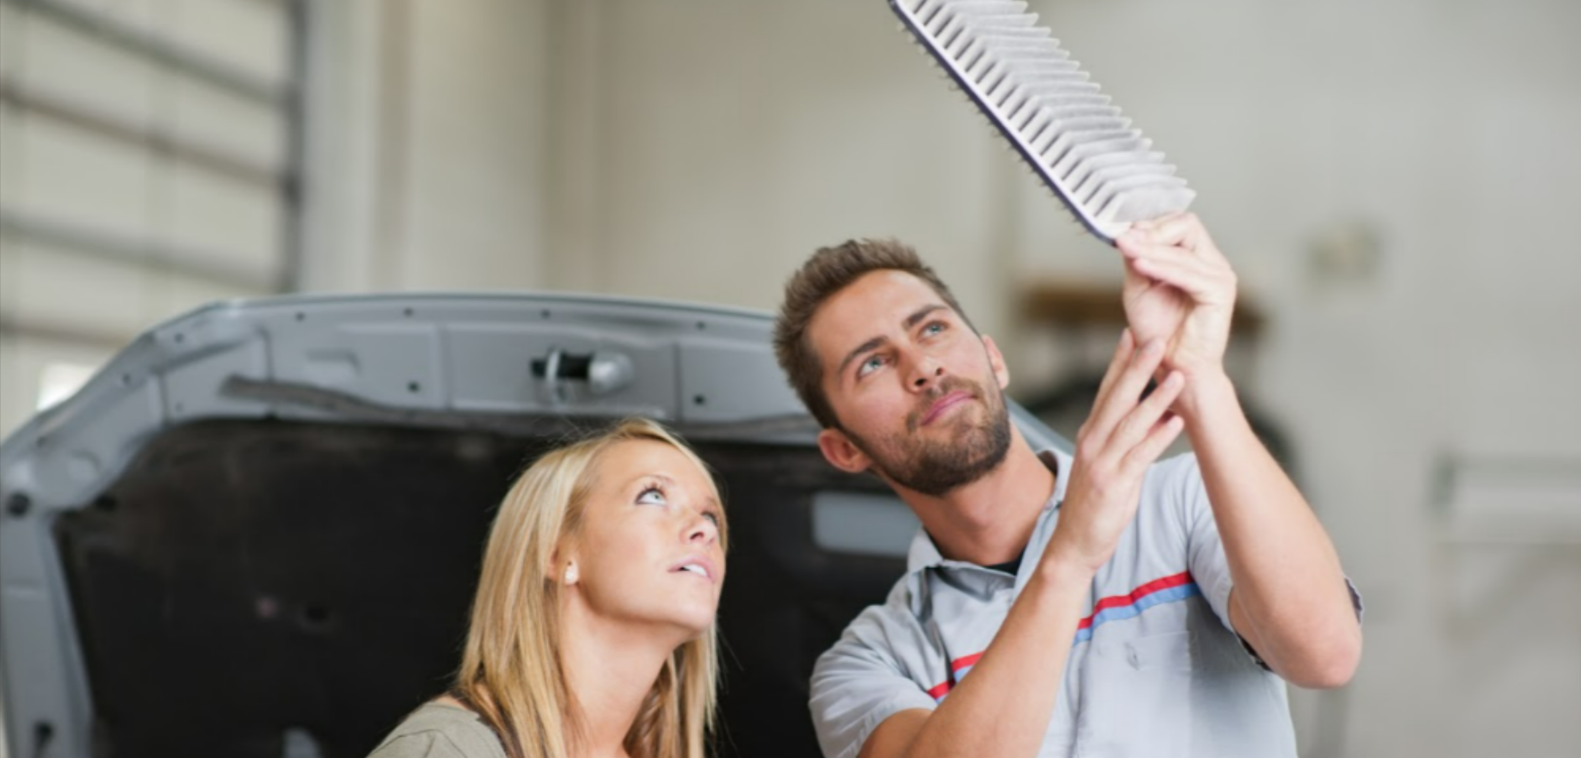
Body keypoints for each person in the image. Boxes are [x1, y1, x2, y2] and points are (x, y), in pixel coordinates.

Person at [772, 212, 1363, 758]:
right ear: (844, 450)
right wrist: (1070, 554)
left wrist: (1200, 376)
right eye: (872, 363)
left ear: (991, 359)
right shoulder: (870, 662)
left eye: (930, 329)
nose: (921, 367)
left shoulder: (1181, 501)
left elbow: (1325, 654)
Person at [368, 418, 728, 758]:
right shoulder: (447, 750)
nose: (705, 530)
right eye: (652, 495)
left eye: (711, 516)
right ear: (557, 554)